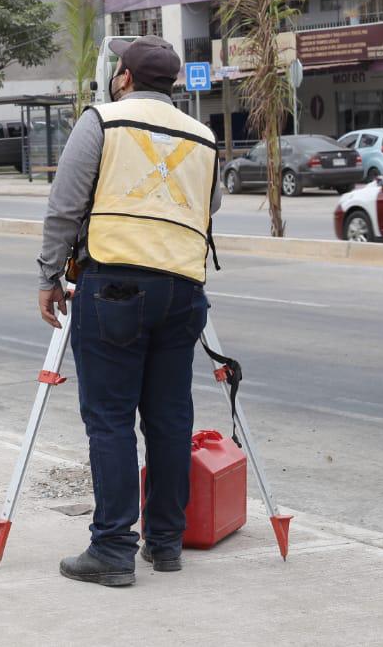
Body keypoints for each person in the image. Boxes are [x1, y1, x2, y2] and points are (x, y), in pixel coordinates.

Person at [36, 35, 222, 588]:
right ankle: (165, 542)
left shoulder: (102, 121)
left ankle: (113, 549)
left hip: (114, 285)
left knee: (111, 418)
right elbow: (209, 204)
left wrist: (48, 275)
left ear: (124, 78)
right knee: (169, 419)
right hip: (183, 290)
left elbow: (65, 205)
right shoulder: (203, 136)